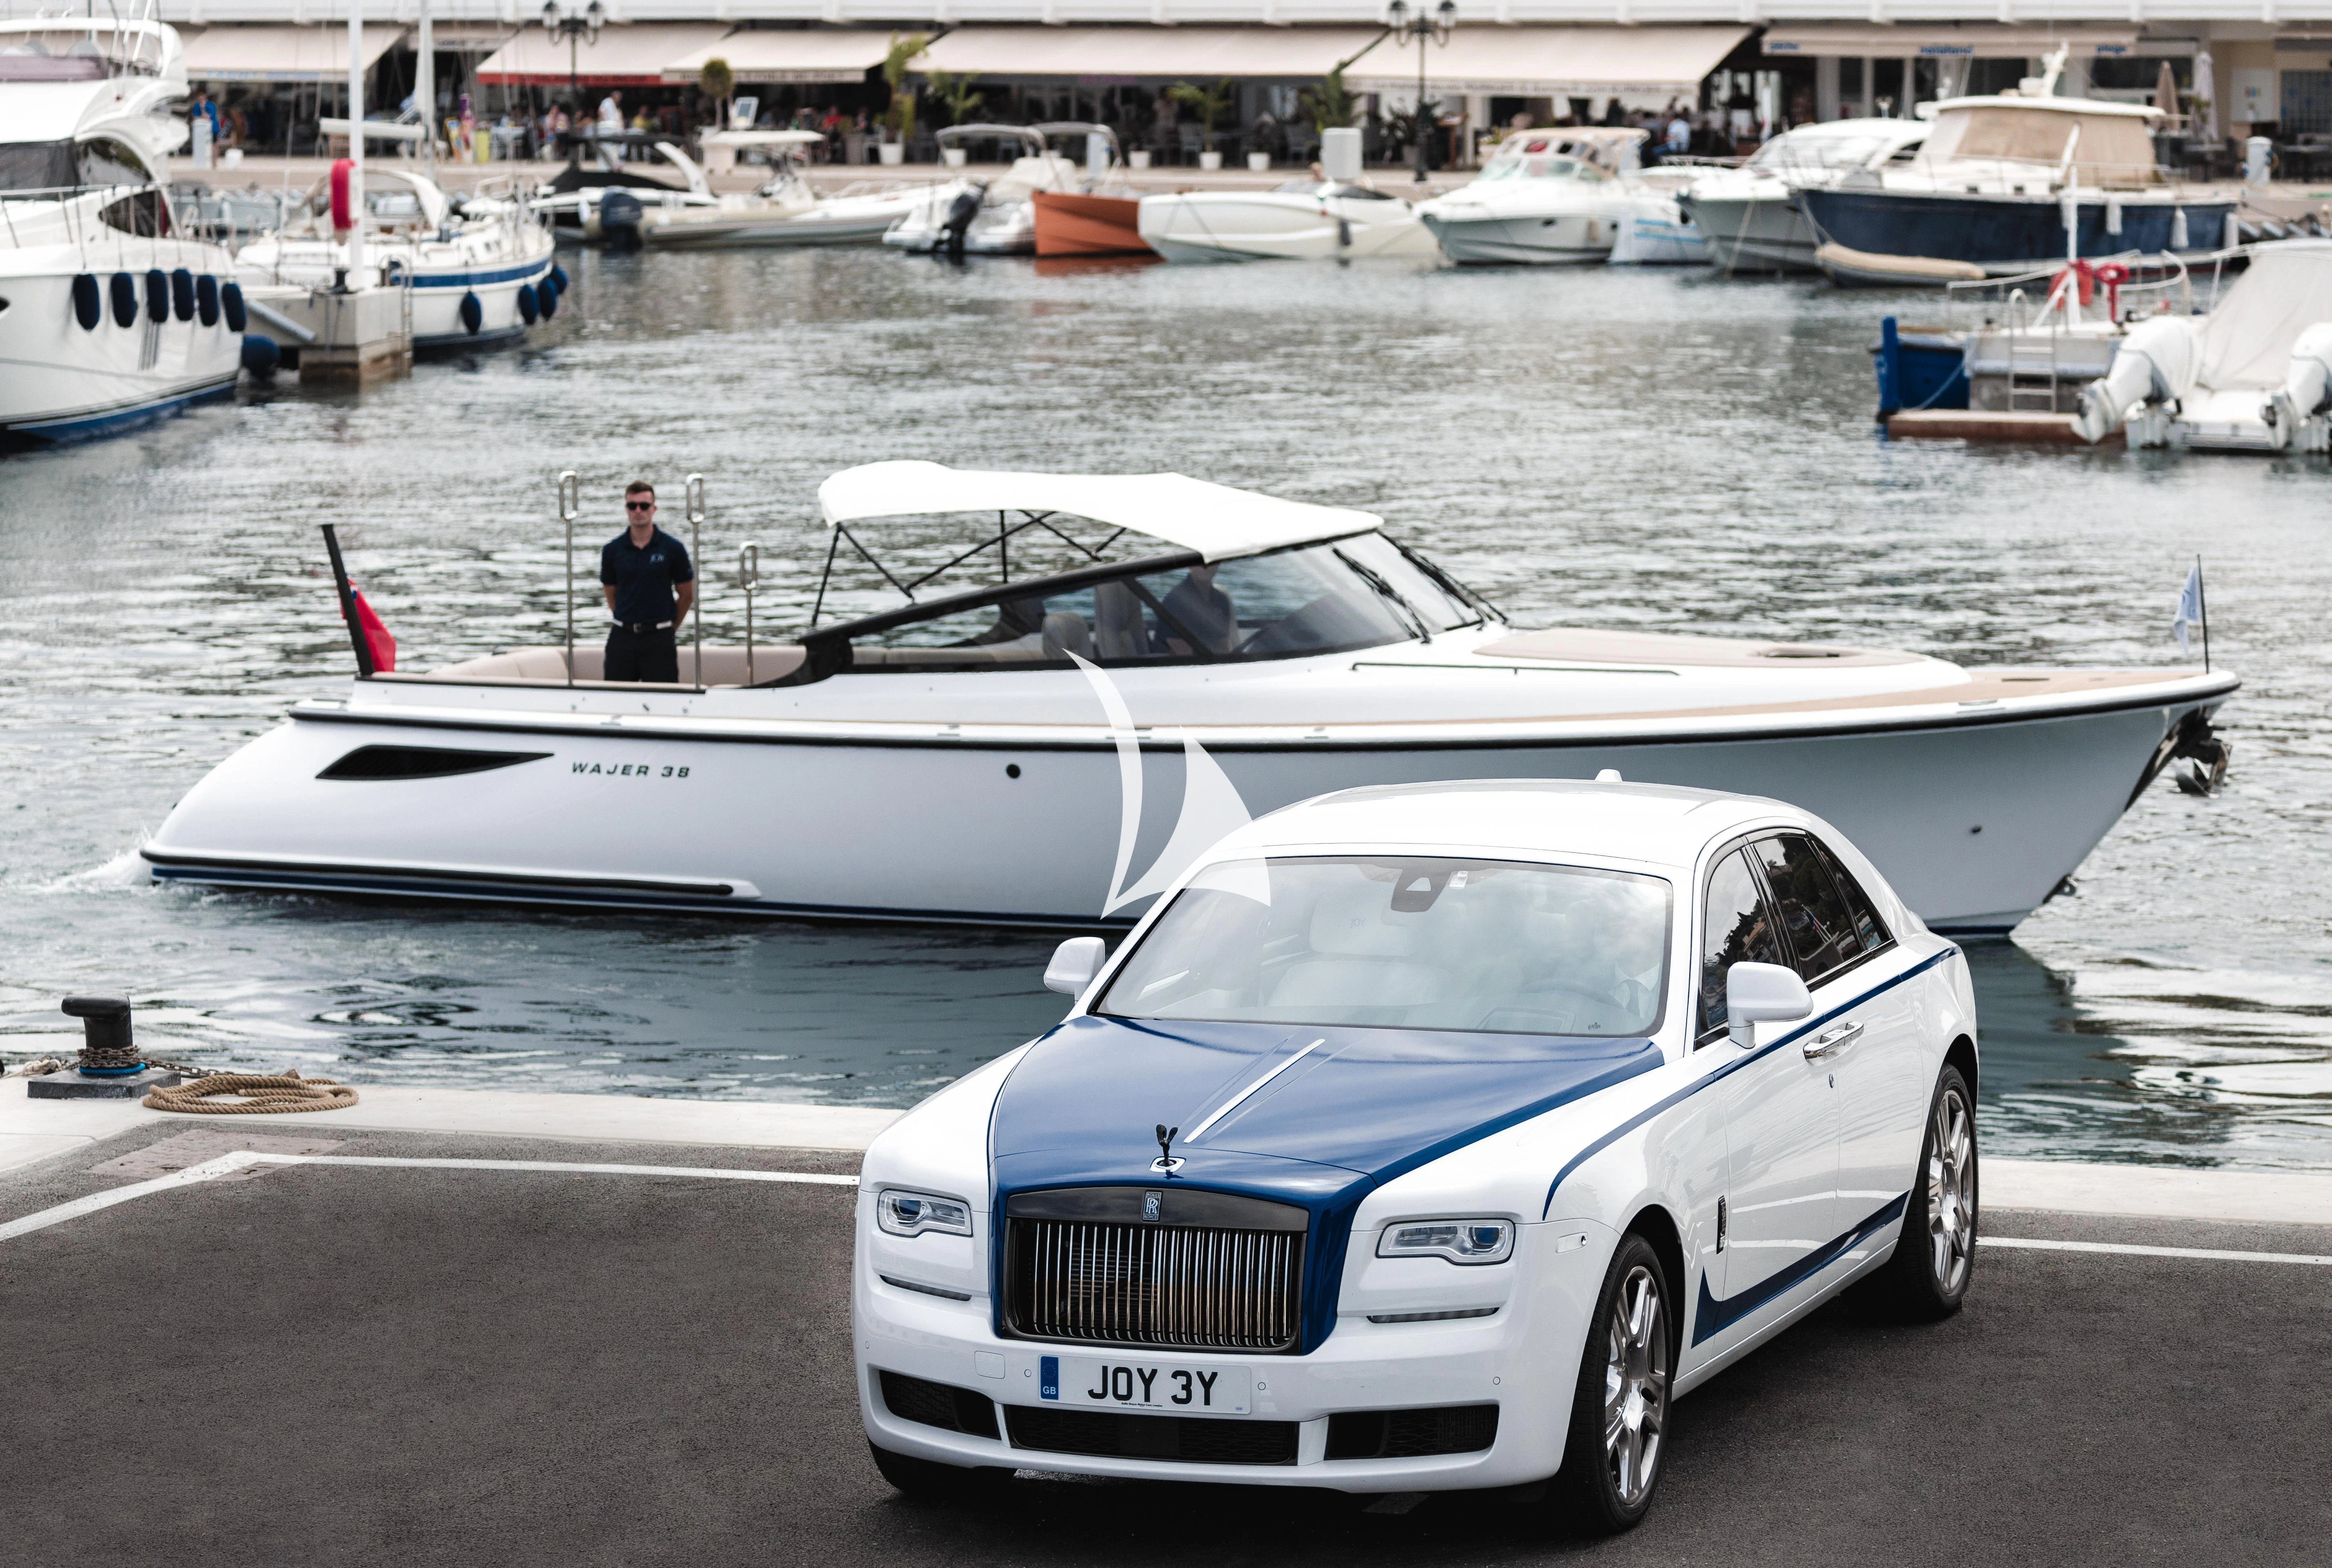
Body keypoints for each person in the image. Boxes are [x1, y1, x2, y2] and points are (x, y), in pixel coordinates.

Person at [600, 481, 695, 683]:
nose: (638, 511)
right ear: (626, 509)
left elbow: (687, 595)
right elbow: (610, 592)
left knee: (664, 703)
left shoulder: (673, 549)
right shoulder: (612, 551)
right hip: (622, 638)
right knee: (616, 701)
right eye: (632, 505)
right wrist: (627, 618)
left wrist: (669, 627)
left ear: (654, 509)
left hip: (660, 639)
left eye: (644, 506)